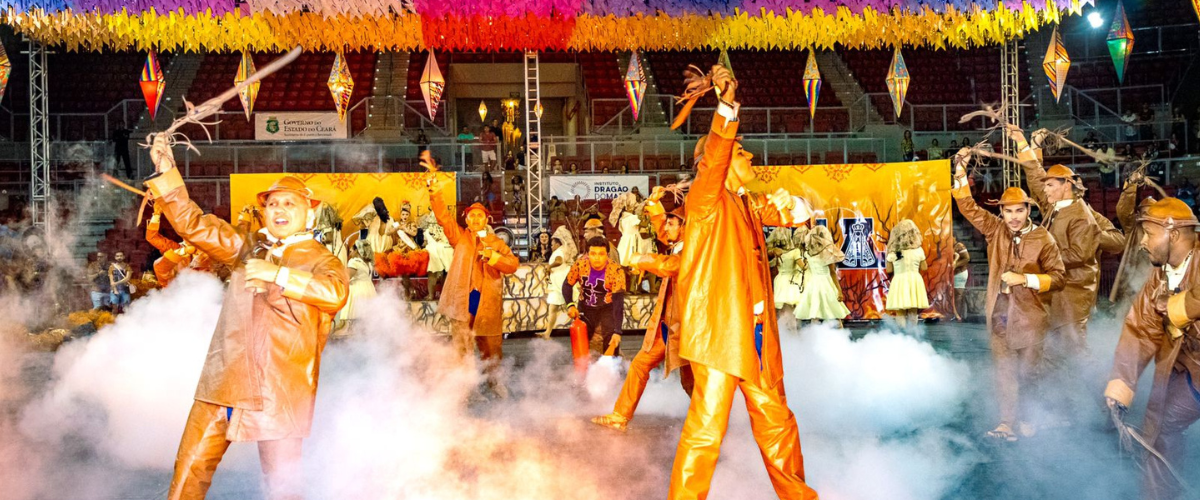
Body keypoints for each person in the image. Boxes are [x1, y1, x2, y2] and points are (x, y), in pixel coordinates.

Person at [146, 133, 349, 500]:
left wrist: (278, 275)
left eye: (290, 203)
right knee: (189, 469)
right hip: (226, 378)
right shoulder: (247, 247)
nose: (279, 209)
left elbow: (335, 293)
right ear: (264, 212)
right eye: (272, 204)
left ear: (310, 212)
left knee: (282, 485)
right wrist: (167, 173)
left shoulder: (323, 259)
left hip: (281, 387)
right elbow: (194, 225)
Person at [669, 65, 819, 500]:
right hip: (720, 337)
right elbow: (716, 152)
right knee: (705, 432)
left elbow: (799, 213)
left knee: (778, 424)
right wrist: (727, 106)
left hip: (756, 338)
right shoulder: (706, 201)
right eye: (741, 152)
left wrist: (796, 206)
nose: (749, 156)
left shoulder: (746, 204)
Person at [952, 150, 1064, 441]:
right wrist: (960, 170)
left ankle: (1028, 418)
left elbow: (1059, 278)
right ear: (1001, 212)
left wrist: (1025, 279)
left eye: (1019, 211)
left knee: (1028, 373)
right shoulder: (994, 229)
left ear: (1028, 210)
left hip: (1031, 317)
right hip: (1000, 315)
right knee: (1004, 372)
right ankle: (1006, 423)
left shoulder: (1044, 239)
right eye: (1008, 211)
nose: (1013, 217)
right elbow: (967, 206)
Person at [1104, 197, 1200, 500]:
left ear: (1173, 233)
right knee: (1159, 429)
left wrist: (1174, 307)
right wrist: (1120, 386)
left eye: (1148, 233)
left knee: (1163, 428)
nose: (1142, 242)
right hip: (1189, 371)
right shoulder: (1160, 276)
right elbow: (1140, 330)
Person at [1015, 128, 1122, 361]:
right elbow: (1035, 178)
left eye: (1050, 185)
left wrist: (1041, 257)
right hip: (1060, 289)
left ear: (1066, 186)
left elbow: (1080, 254)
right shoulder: (1055, 207)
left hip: (1073, 290)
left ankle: (1086, 380)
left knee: (1072, 344)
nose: (1045, 190)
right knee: (1056, 343)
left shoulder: (1082, 216)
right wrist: (1027, 145)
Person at [592, 189, 692, 431]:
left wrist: (641, 259)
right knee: (641, 364)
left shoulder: (694, 249)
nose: (666, 228)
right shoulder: (679, 243)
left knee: (693, 381)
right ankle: (620, 415)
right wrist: (654, 203)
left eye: (672, 224)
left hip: (689, 328)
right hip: (670, 326)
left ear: (685, 227)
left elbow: (673, 266)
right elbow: (662, 233)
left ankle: (713, 421)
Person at [424, 151, 519, 399]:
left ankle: (494, 382)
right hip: (464, 298)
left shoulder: (497, 242)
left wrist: (494, 258)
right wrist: (434, 190)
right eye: (472, 215)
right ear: (466, 219)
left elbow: (513, 264)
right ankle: (466, 387)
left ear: (486, 219)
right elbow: (443, 217)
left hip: (486, 299)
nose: (476, 218)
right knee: (462, 344)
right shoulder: (459, 237)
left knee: (491, 344)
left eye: (480, 215)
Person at [564, 236, 627, 356]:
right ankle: (583, 367)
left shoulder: (616, 270)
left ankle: (612, 366)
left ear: (607, 255)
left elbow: (618, 302)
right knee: (582, 339)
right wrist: (570, 305)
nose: (597, 258)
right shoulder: (580, 264)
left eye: (601, 254)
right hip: (585, 306)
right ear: (587, 254)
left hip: (607, 307)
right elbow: (567, 285)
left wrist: (618, 331)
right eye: (593, 254)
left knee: (610, 338)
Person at [793, 225, 850, 324]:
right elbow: (832, 272)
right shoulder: (827, 253)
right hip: (826, 284)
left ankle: (815, 332)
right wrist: (839, 291)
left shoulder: (808, 254)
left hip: (813, 284)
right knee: (834, 312)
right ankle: (839, 332)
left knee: (814, 312)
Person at [885, 219, 930, 328]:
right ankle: (913, 333)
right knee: (913, 311)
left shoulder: (893, 252)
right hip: (914, 280)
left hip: (899, 281)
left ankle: (902, 334)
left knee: (900, 310)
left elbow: (889, 270)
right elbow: (924, 268)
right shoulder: (919, 250)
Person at [541, 226, 578, 339]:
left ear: (558, 243)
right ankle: (547, 333)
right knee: (553, 308)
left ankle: (581, 330)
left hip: (562, 285)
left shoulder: (560, 251)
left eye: (552, 244)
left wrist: (549, 266)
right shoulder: (560, 251)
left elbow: (559, 261)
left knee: (571, 308)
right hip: (557, 285)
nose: (551, 246)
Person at [333, 240, 377, 334]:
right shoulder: (368, 264)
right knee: (366, 323)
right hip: (369, 290)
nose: (350, 254)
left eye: (351, 251)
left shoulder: (354, 262)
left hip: (357, 292)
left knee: (353, 323)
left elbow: (346, 277)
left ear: (357, 250)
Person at [422, 213, 455, 301]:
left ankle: (434, 295)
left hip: (442, 251)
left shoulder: (446, 228)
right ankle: (441, 296)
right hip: (439, 251)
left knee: (436, 273)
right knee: (441, 273)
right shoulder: (428, 230)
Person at [773, 228, 807, 311]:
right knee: (794, 305)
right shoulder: (795, 251)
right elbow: (803, 267)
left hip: (780, 279)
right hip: (792, 280)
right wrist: (808, 261)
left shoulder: (776, 251)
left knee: (781, 307)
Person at [952, 241, 971, 321]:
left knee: (958, 294)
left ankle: (958, 315)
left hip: (959, 273)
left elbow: (967, 258)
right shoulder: (950, 246)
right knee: (956, 294)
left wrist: (956, 264)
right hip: (955, 273)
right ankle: (956, 314)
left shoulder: (959, 246)